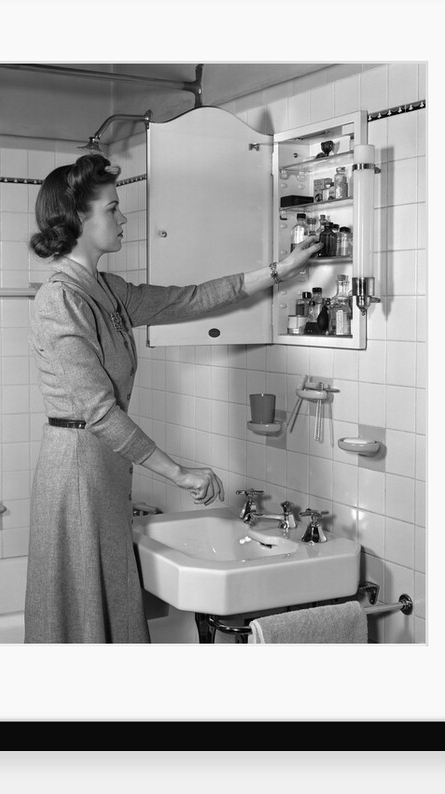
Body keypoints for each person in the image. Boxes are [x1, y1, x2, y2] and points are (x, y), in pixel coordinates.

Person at [24, 153, 322, 643]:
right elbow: (99, 412)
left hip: (102, 467)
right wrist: (179, 473)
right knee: (80, 621)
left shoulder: (105, 289)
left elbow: (188, 299)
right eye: (113, 209)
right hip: (76, 469)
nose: (124, 218)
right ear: (80, 218)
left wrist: (279, 270)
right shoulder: (62, 299)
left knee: (110, 609)